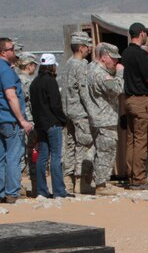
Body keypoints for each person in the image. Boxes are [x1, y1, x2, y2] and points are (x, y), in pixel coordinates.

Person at [0, 37, 32, 203]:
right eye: (12, 49)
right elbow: (11, 96)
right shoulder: (6, 71)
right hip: (10, 119)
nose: (15, 52)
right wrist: (22, 120)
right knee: (13, 156)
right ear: (3, 52)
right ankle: (12, 192)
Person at [87, 43, 125, 195]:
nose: (115, 62)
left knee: (98, 150)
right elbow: (117, 89)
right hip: (105, 118)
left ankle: (95, 181)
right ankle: (101, 184)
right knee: (106, 151)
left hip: (97, 116)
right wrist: (120, 73)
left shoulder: (90, 68)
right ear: (103, 57)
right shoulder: (101, 74)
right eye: (113, 59)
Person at [120, 22, 148, 189]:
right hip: (141, 99)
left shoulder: (125, 53)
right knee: (141, 140)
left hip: (128, 99)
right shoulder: (141, 55)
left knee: (131, 140)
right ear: (142, 34)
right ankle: (139, 178)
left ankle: (131, 175)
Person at [59, 32, 94, 194]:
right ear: (81, 48)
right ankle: (81, 181)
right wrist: (92, 110)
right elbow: (83, 91)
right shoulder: (80, 66)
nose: (89, 49)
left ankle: (68, 179)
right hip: (80, 112)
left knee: (71, 145)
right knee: (84, 145)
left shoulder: (67, 64)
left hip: (68, 111)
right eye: (87, 46)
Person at [30, 53, 68, 198]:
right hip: (53, 123)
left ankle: (41, 190)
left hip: (40, 124)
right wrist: (63, 120)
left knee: (42, 157)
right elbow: (55, 104)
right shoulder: (50, 82)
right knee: (56, 157)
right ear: (52, 67)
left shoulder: (35, 83)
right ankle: (59, 190)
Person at [15, 53, 39, 196]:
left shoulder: (15, 80)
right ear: (29, 66)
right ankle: (35, 186)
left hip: (19, 121)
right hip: (29, 122)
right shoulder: (29, 82)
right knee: (32, 155)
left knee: (20, 154)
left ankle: (16, 185)